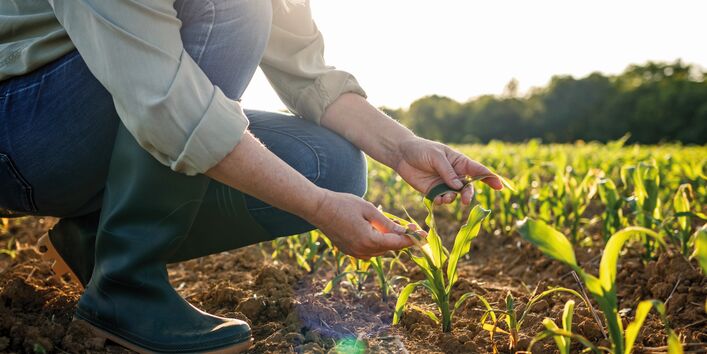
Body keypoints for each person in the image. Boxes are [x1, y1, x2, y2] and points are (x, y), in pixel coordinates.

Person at [0, 0, 503, 352]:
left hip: (116, 104)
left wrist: (403, 148)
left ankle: (93, 246)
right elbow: (168, 108)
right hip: (21, 130)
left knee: (330, 164)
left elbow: (308, 74)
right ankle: (125, 285)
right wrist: (320, 209)